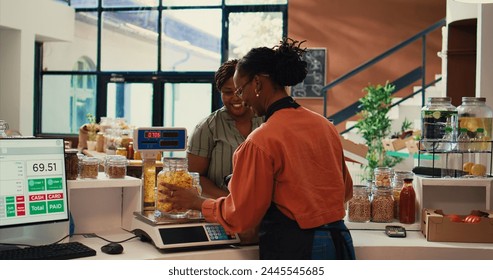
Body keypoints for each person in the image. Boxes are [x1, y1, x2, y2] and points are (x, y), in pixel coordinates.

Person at [162, 38, 355, 260]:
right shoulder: (324, 126)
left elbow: (241, 216)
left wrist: (197, 202)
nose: (241, 99)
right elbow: (345, 191)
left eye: (241, 90)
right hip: (339, 243)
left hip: (296, 248)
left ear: (257, 84)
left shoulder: (260, 141)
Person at [187, 59, 263, 199]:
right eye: (228, 92)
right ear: (220, 92)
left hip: (267, 212)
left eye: (240, 91)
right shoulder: (207, 128)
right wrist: (231, 202)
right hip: (220, 212)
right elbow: (195, 177)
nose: (236, 98)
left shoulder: (268, 121)